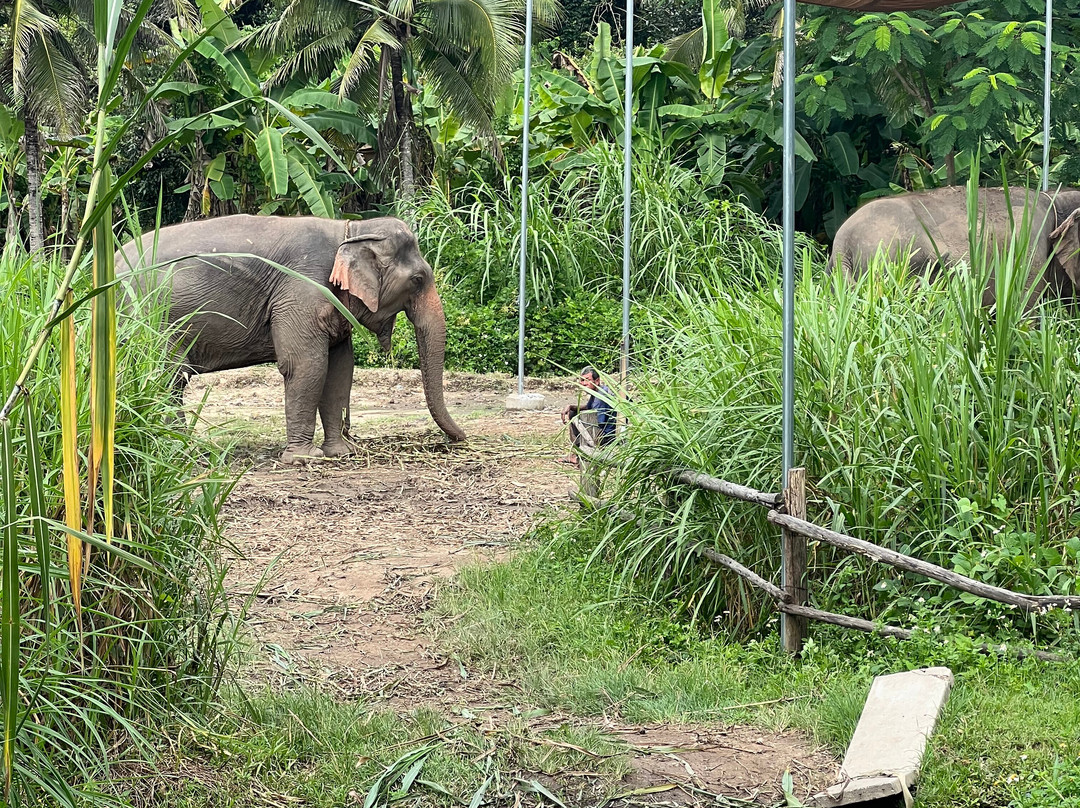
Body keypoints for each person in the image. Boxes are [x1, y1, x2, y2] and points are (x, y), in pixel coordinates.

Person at [559, 366, 616, 467]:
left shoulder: (601, 397)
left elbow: (598, 423)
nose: (584, 383)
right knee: (573, 412)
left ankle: (582, 455)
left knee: (580, 419)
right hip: (599, 429)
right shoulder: (598, 391)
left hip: (605, 435)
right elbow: (588, 407)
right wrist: (571, 406)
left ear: (597, 381)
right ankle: (578, 453)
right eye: (582, 380)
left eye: (587, 380)